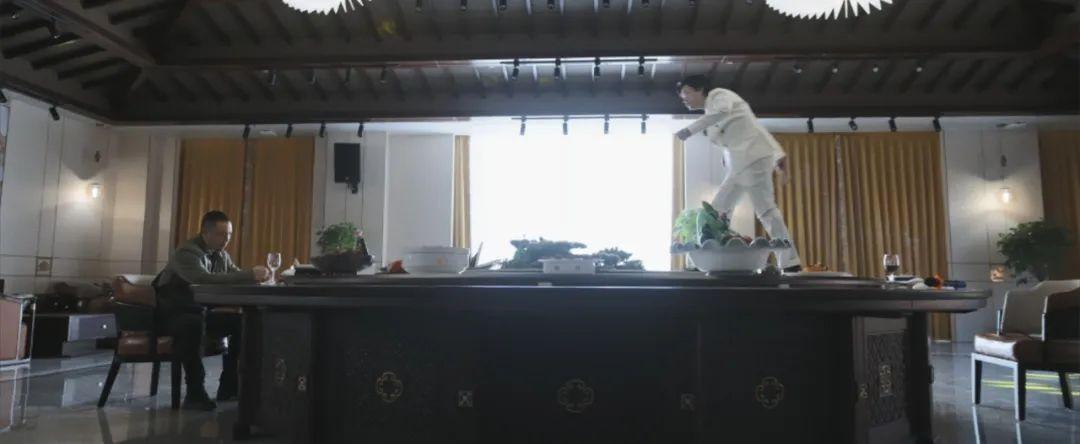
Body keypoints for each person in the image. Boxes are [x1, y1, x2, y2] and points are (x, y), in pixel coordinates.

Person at [674, 75, 802, 272]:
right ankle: (790, 262)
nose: (684, 99)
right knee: (747, 211)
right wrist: (777, 154)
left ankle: (707, 260)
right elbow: (752, 126)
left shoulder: (719, 96)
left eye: (687, 93)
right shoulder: (710, 113)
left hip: (751, 159)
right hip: (745, 161)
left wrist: (690, 130)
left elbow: (724, 113)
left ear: (700, 89)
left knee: (719, 211)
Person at [153, 210, 269, 410]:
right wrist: (250, 275)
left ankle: (229, 385)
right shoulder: (186, 253)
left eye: (229, 235)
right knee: (192, 324)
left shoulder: (221, 255)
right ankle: (195, 392)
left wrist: (260, 279)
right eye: (221, 234)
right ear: (205, 233)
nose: (226, 240)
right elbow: (203, 279)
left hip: (201, 311)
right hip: (173, 314)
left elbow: (235, 275)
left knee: (243, 322)